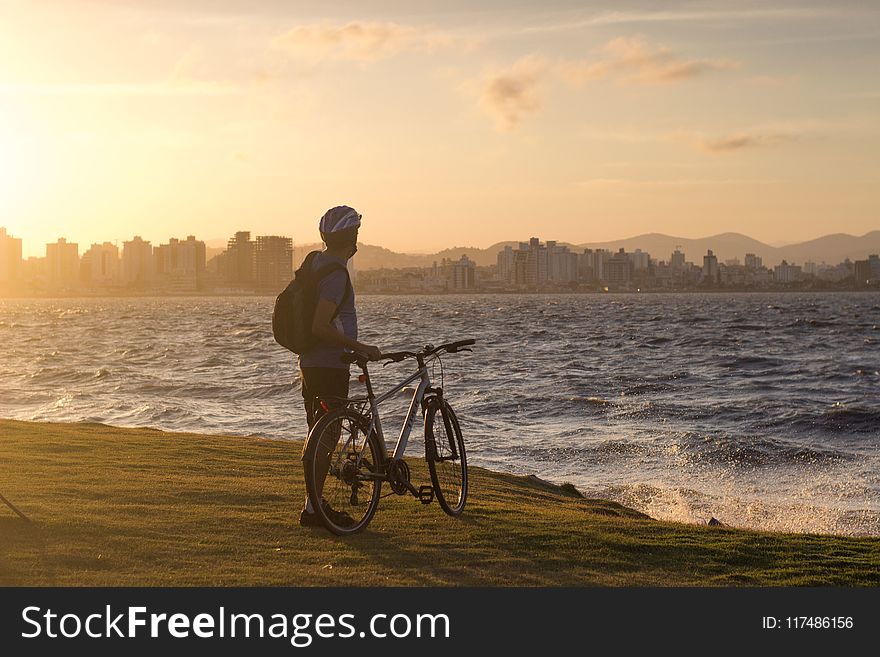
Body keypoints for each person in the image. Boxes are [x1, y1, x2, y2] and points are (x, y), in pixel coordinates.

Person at [299, 205, 381, 528]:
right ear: (350, 236)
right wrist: (360, 348)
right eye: (356, 232)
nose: (358, 237)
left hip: (312, 364)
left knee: (318, 436)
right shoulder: (335, 274)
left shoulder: (317, 264)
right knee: (327, 436)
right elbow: (321, 325)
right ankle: (313, 510)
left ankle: (312, 506)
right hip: (329, 366)